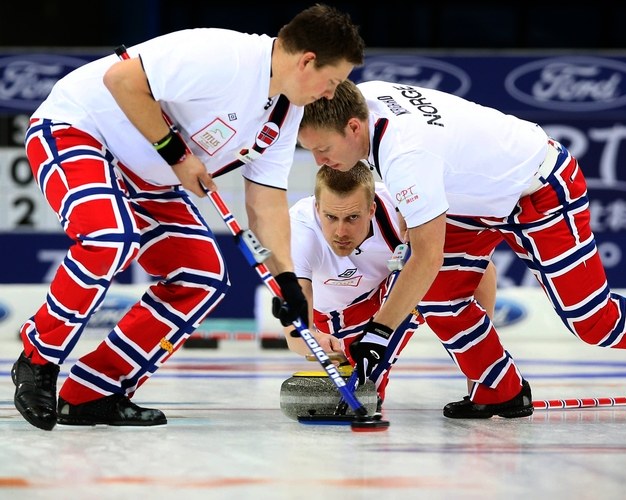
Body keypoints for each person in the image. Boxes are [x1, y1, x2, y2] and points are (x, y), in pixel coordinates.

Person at [297, 79, 626, 420]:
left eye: (321, 149)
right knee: (440, 294)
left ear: (354, 126)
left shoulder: (405, 154)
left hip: (539, 189)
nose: (319, 162)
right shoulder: (362, 97)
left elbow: (426, 255)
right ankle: (499, 389)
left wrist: (378, 334)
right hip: (478, 195)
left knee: (592, 318)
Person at [11, 4, 365, 431]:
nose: (330, 94)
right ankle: (38, 357)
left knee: (202, 279)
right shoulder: (222, 56)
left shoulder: (285, 112)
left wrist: (287, 282)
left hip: (149, 173)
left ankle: (92, 392)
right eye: (332, 81)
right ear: (307, 60)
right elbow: (121, 79)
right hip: (80, 131)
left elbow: (266, 202)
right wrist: (177, 155)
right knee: (110, 237)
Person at [282, 162, 497, 411]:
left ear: (372, 209)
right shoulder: (299, 233)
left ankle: (490, 383)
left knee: (430, 263)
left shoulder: (404, 212)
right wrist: (314, 339)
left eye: (353, 217)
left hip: (390, 294)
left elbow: (479, 270)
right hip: (331, 315)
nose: (341, 231)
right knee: (360, 387)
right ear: (317, 209)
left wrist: (479, 365)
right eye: (331, 217)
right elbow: (295, 334)